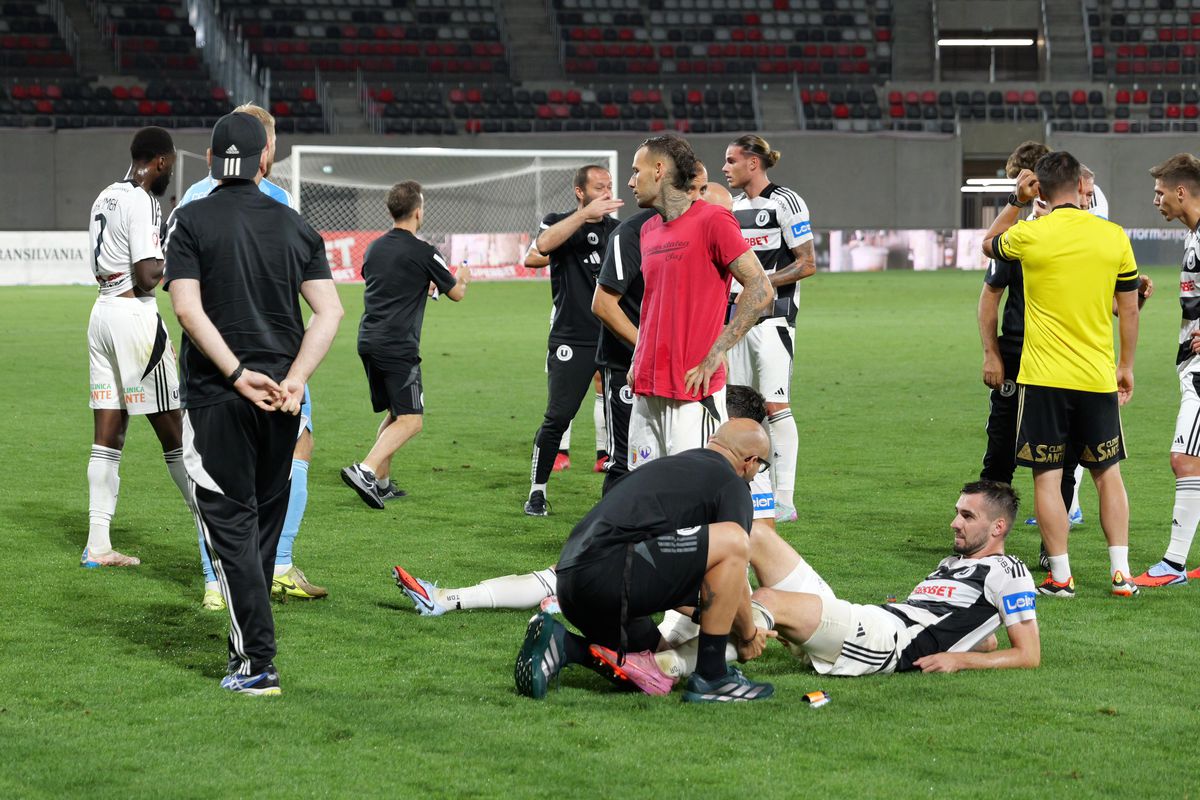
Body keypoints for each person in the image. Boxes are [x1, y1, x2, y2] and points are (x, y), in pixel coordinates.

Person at [165, 111, 343, 695]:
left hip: (220, 395)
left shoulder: (188, 219)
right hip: (282, 402)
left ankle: (256, 662)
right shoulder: (295, 225)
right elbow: (331, 311)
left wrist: (238, 373)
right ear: (264, 160)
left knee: (230, 525)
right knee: (262, 525)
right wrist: (294, 380)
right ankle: (253, 643)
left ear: (213, 160)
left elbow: (187, 310)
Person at [392, 385, 793, 616]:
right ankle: (567, 610)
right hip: (648, 567)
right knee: (700, 607)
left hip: (606, 542)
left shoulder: (689, 459)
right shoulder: (736, 477)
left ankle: (449, 598)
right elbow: (745, 558)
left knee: (560, 574)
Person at [513, 418, 776, 703]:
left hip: (571, 582)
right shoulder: (731, 485)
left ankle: (563, 643)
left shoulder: (670, 468)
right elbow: (733, 564)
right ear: (750, 462)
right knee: (735, 540)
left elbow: (664, 565)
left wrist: (705, 614)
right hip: (611, 577)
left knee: (656, 672)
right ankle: (713, 677)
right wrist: (748, 635)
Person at [981, 151, 1141, 598]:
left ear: (1042, 190)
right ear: (1080, 186)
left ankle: (1061, 577)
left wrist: (1016, 201)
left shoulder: (1030, 235)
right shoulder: (1114, 237)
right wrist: (1125, 365)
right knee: (1107, 474)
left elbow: (989, 243)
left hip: (1044, 377)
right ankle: (1121, 575)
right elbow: (1127, 306)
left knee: (1047, 477)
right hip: (1096, 376)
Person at [753, 481, 1040, 675]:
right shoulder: (952, 562)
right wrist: (974, 641)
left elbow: (1028, 654)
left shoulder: (1008, 571)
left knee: (768, 601)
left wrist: (958, 660)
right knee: (758, 536)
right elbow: (981, 637)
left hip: (887, 641)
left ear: (998, 526)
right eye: (956, 513)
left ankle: (716, 664)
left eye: (967, 516)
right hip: (867, 620)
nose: (954, 523)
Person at [83, 126, 198, 568]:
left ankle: (98, 545)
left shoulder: (104, 195)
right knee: (177, 433)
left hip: (101, 315)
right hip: (134, 319)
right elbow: (149, 275)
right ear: (162, 162)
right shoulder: (145, 201)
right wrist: (183, 261)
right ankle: (215, 532)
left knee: (107, 437)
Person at [625, 135, 774, 470]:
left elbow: (760, 288)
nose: (631, 181)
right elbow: (653, 307)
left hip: (692, 391)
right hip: (647, 389)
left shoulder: (712, 221)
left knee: (690, 495)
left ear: (660, 170)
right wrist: (638, 357)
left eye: (637, 171)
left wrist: (718, 350)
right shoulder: (648, 230)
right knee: (644, 489)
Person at [341, 181, 470, 508]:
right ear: (418, 211)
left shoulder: (373, 248)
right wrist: (464, 274)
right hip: (398, 345)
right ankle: (366, 470)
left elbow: (386, 281)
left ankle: (381, 483)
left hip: (368, 339)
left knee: (396, 412)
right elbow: (456, 293)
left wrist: (422, 286)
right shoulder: (424, 251)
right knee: (412, 420)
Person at [722, 134, 817, 523]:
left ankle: (784, 499)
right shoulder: (732, 206)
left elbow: (807, 263)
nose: (725, 168)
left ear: (753, 163)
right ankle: (752, 493)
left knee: (776, 406)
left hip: (774, 319)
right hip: (737, 321)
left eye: (731, 160)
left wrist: (760, 284)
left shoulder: (786, 201)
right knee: (741, 409)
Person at [522, 166, 622, 515]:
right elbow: (540, 248)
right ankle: (537, 491)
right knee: (558, 416)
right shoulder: (559, 223)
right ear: (580, 192)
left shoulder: (619, 232)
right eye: (599, 187)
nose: (607, 193)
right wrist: (584, 217)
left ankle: (617, 496)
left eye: (610, 186)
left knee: (623, 419)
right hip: (572, 338)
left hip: (615, 338)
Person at [1134, 154, 1200, 586]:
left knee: (1185, 458)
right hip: (1190, 361)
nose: (1155, 199)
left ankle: (1173, 564)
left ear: (1180, 192)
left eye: (1160, 192)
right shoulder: (1195, 234)